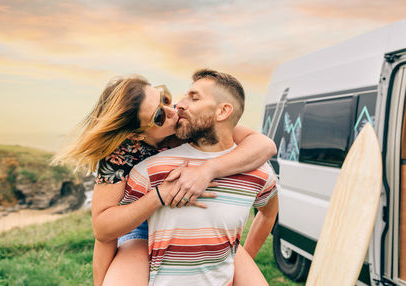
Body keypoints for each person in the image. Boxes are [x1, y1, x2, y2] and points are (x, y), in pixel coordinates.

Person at [52, 75, 277, 285]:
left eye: (165, 99)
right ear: (136, 135)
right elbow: (104, 231)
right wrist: (159, 196)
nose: (173, 110)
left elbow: (265, 146)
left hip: (203, 232)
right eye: (159, 116)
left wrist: (207, 170)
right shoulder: (121, 154)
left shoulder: (191, 124)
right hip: (138, 222)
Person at [125, 69, 278, 285]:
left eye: (194, 98)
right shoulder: (152, 167)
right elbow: (107, 227)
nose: (179, 104)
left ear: (223, 111)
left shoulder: (259, 172)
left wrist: (240, 261)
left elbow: (269, 213)